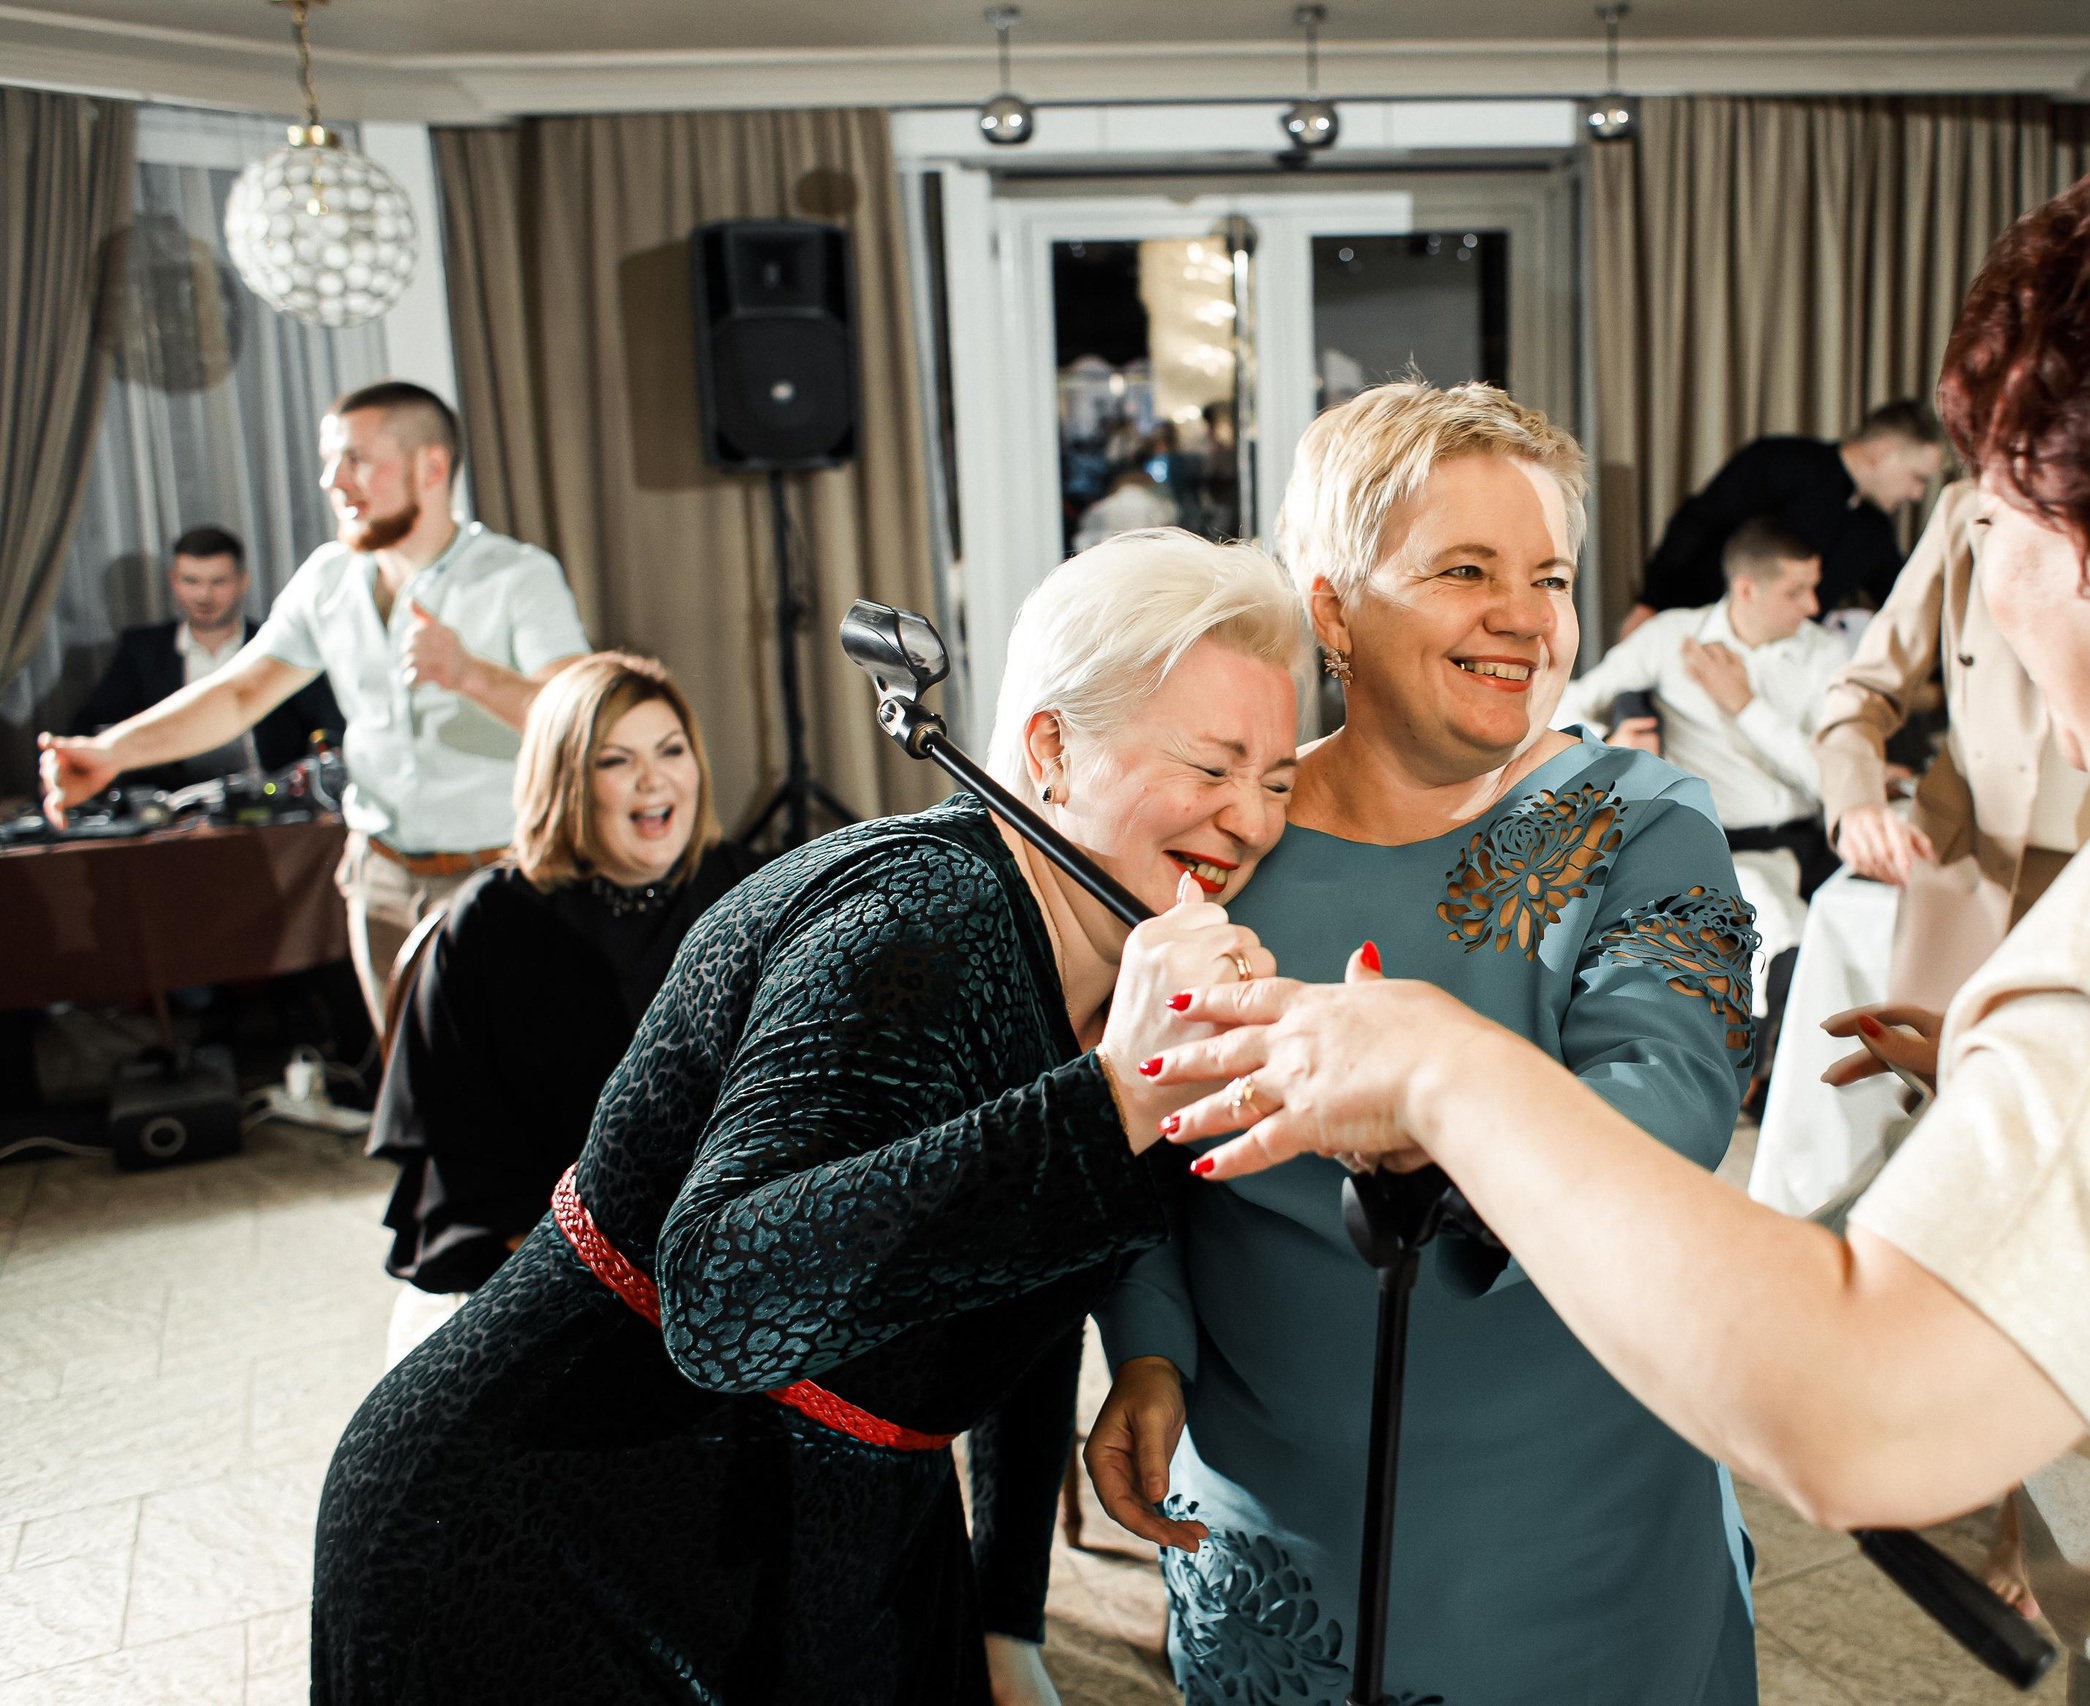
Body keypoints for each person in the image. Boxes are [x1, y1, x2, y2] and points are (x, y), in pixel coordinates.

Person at [1150, 139, 2090, 1705]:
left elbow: (1864, 1417)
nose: (1984, 594)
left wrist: (1436, 1067)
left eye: (1998, 526)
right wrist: (2075, 1095)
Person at [311, 528, 1306, 1706]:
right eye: (1210, 766)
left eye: (1276, 781)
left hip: (810, 1530)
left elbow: (1007, 1277)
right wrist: (1111, 1102)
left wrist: (1006, 1615)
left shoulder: (1103, 967)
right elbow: (722, 1296)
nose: (1249, 821)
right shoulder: (917, 922)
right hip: (537, 1533)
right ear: (1050, 750)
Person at [1085, 383, 1760, 1704]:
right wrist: (1150, 1343)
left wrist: (1446, 1108)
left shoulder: (1645, 820)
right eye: (1465, 570)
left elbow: (1675, 1093)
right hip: (1275, 1514)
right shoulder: (1221, 836)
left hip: (1586, 1519)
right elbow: (1141, 1136)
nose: (1524, 615)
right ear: (1333, 608)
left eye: (1549, 577)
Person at [38, 381, 590, 1029]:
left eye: (357, 459)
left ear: (431, 466)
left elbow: (579, 720)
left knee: (520, 1071)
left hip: (502, 877)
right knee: (404, 1076)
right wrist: (109, 753)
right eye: (330, 462)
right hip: (380, 881)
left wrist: (470, 674)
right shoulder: (328, 578)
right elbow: (239, 693)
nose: (333, 481)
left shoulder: (517, 576)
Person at [369, 652, 758, 1366]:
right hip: (555, 1260)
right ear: (566, 779)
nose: (654, 780)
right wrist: (585, 1275)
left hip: (733, 1249)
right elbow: (463, 1153)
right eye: (616, 761)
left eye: (671, 750)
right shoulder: (492, 923)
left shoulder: (746, 887)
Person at [1555, 516, 1848, 1081]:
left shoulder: (1826, 658)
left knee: (1795, 935)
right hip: (1687, 843)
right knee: (1771, 938)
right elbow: (1570, 701)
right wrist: (1611, 741)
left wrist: (1745, 706)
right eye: (1796, 591)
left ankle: (1773, 1082)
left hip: (1791, 844)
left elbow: (1830, 776)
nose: (1813, 605)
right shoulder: (1671, 636)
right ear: (1747, 589)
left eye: (1813, 588)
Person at [1813, 478, 2090, 1008]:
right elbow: (1866, 687)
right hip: (1965, 853)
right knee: (1923, 1050)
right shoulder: (1968, 507)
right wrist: (1855, 801)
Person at [1623, 399, 1945, 635]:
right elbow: (1696, 524)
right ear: (1883, 453)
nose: (1917, 495)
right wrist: (1649, 603)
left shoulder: (1874, 530)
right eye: (1918, 478)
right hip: (1696, 636)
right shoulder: (1781, 462)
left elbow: (1905, 599)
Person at [70, 524, 344, 788]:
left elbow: (332, 728)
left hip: (270, 797)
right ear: (174, 581)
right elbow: (91, 726)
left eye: (218, 582)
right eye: (191, 581)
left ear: (242, 581)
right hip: (174, 802)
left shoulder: (276, 644)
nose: (204, 595)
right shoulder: (143, 650)